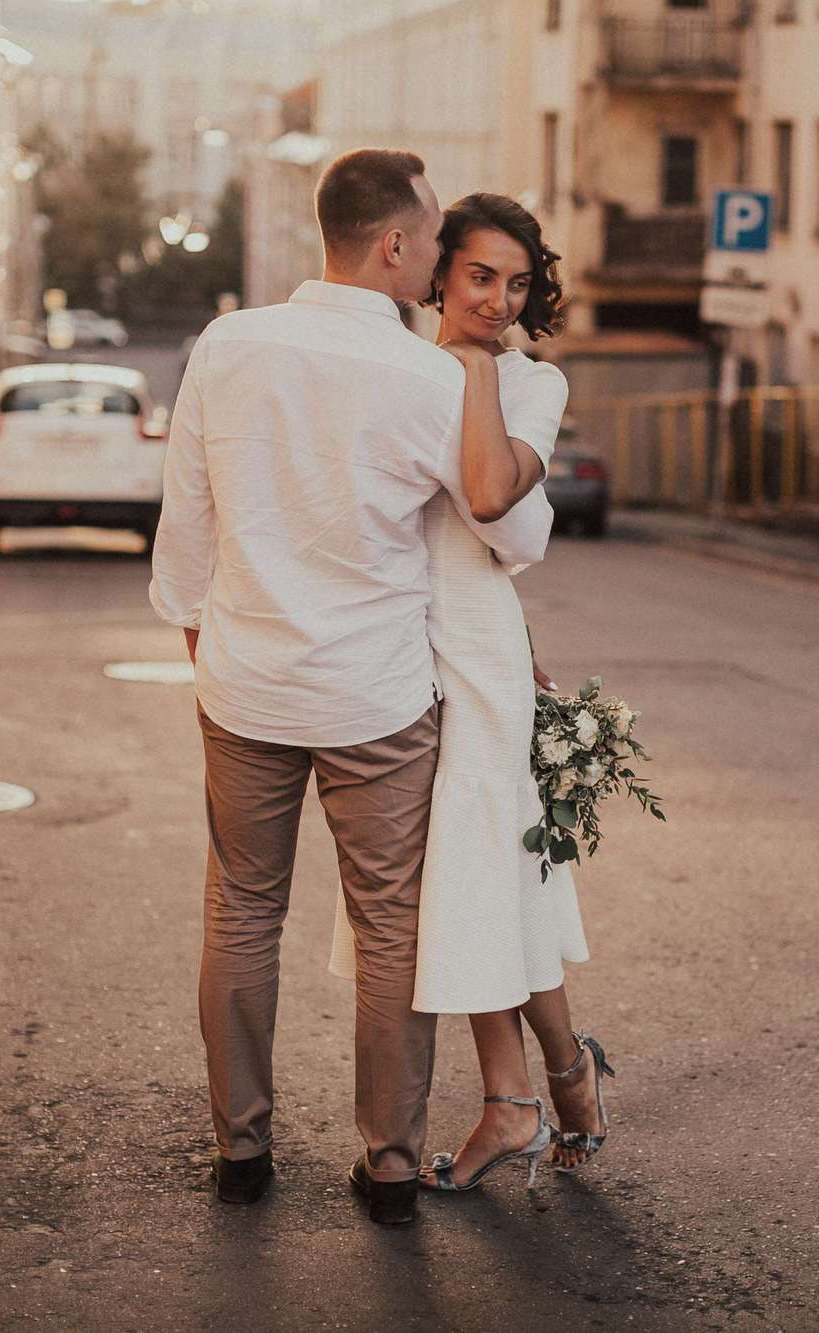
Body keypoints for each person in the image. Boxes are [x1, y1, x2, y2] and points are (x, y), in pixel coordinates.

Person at [147, 149, 542, 1228]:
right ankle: (388, 1165)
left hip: (245, 685)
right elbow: (504, 527)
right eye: (428, 242)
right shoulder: (427, 377)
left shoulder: (228, 345)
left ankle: (240, 1150)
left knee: (239, 911)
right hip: (375, 698)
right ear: (396, 245)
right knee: (388, 929)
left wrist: (209, 652)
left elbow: (186, 521)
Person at [327, 194, 613, 1195]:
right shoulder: (390, 366)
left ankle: (540, 1092)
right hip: (394, 647)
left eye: (516, 282)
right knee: (466, 885)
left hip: (477, 654)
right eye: (480, 276)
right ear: (439, 272)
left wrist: (477, 370)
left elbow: (499, 514)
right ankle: (536, 1093)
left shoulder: (533, 382)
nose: (497, 298)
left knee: (484, 874)